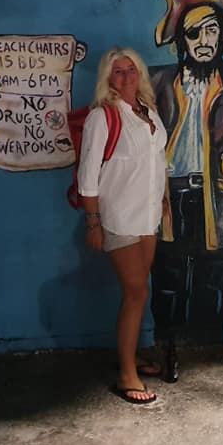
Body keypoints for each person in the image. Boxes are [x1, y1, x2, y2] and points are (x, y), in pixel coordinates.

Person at [150, 0, 223, 347]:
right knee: (167, 284)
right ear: (181, 41)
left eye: (211, 30)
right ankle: (168, 352)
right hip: (167, 199)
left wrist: (222, 170)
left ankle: (208, 356)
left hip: (217, 202)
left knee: (212, 286)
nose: (203, 41)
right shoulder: (156, 82)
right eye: (193, 33)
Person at [78, 47, 168, 404]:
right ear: (108, 78)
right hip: (119, 217)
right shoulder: (102, 117)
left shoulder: (148, 111)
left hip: (148, 216)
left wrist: (164, 201)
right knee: (136, 292)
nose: (126, 76)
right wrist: (93, 223)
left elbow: (157, 161)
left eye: (131, 69)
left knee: (138, 291)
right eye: (118, 71)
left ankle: (130, 355)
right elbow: (87, 176)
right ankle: (127, 375)